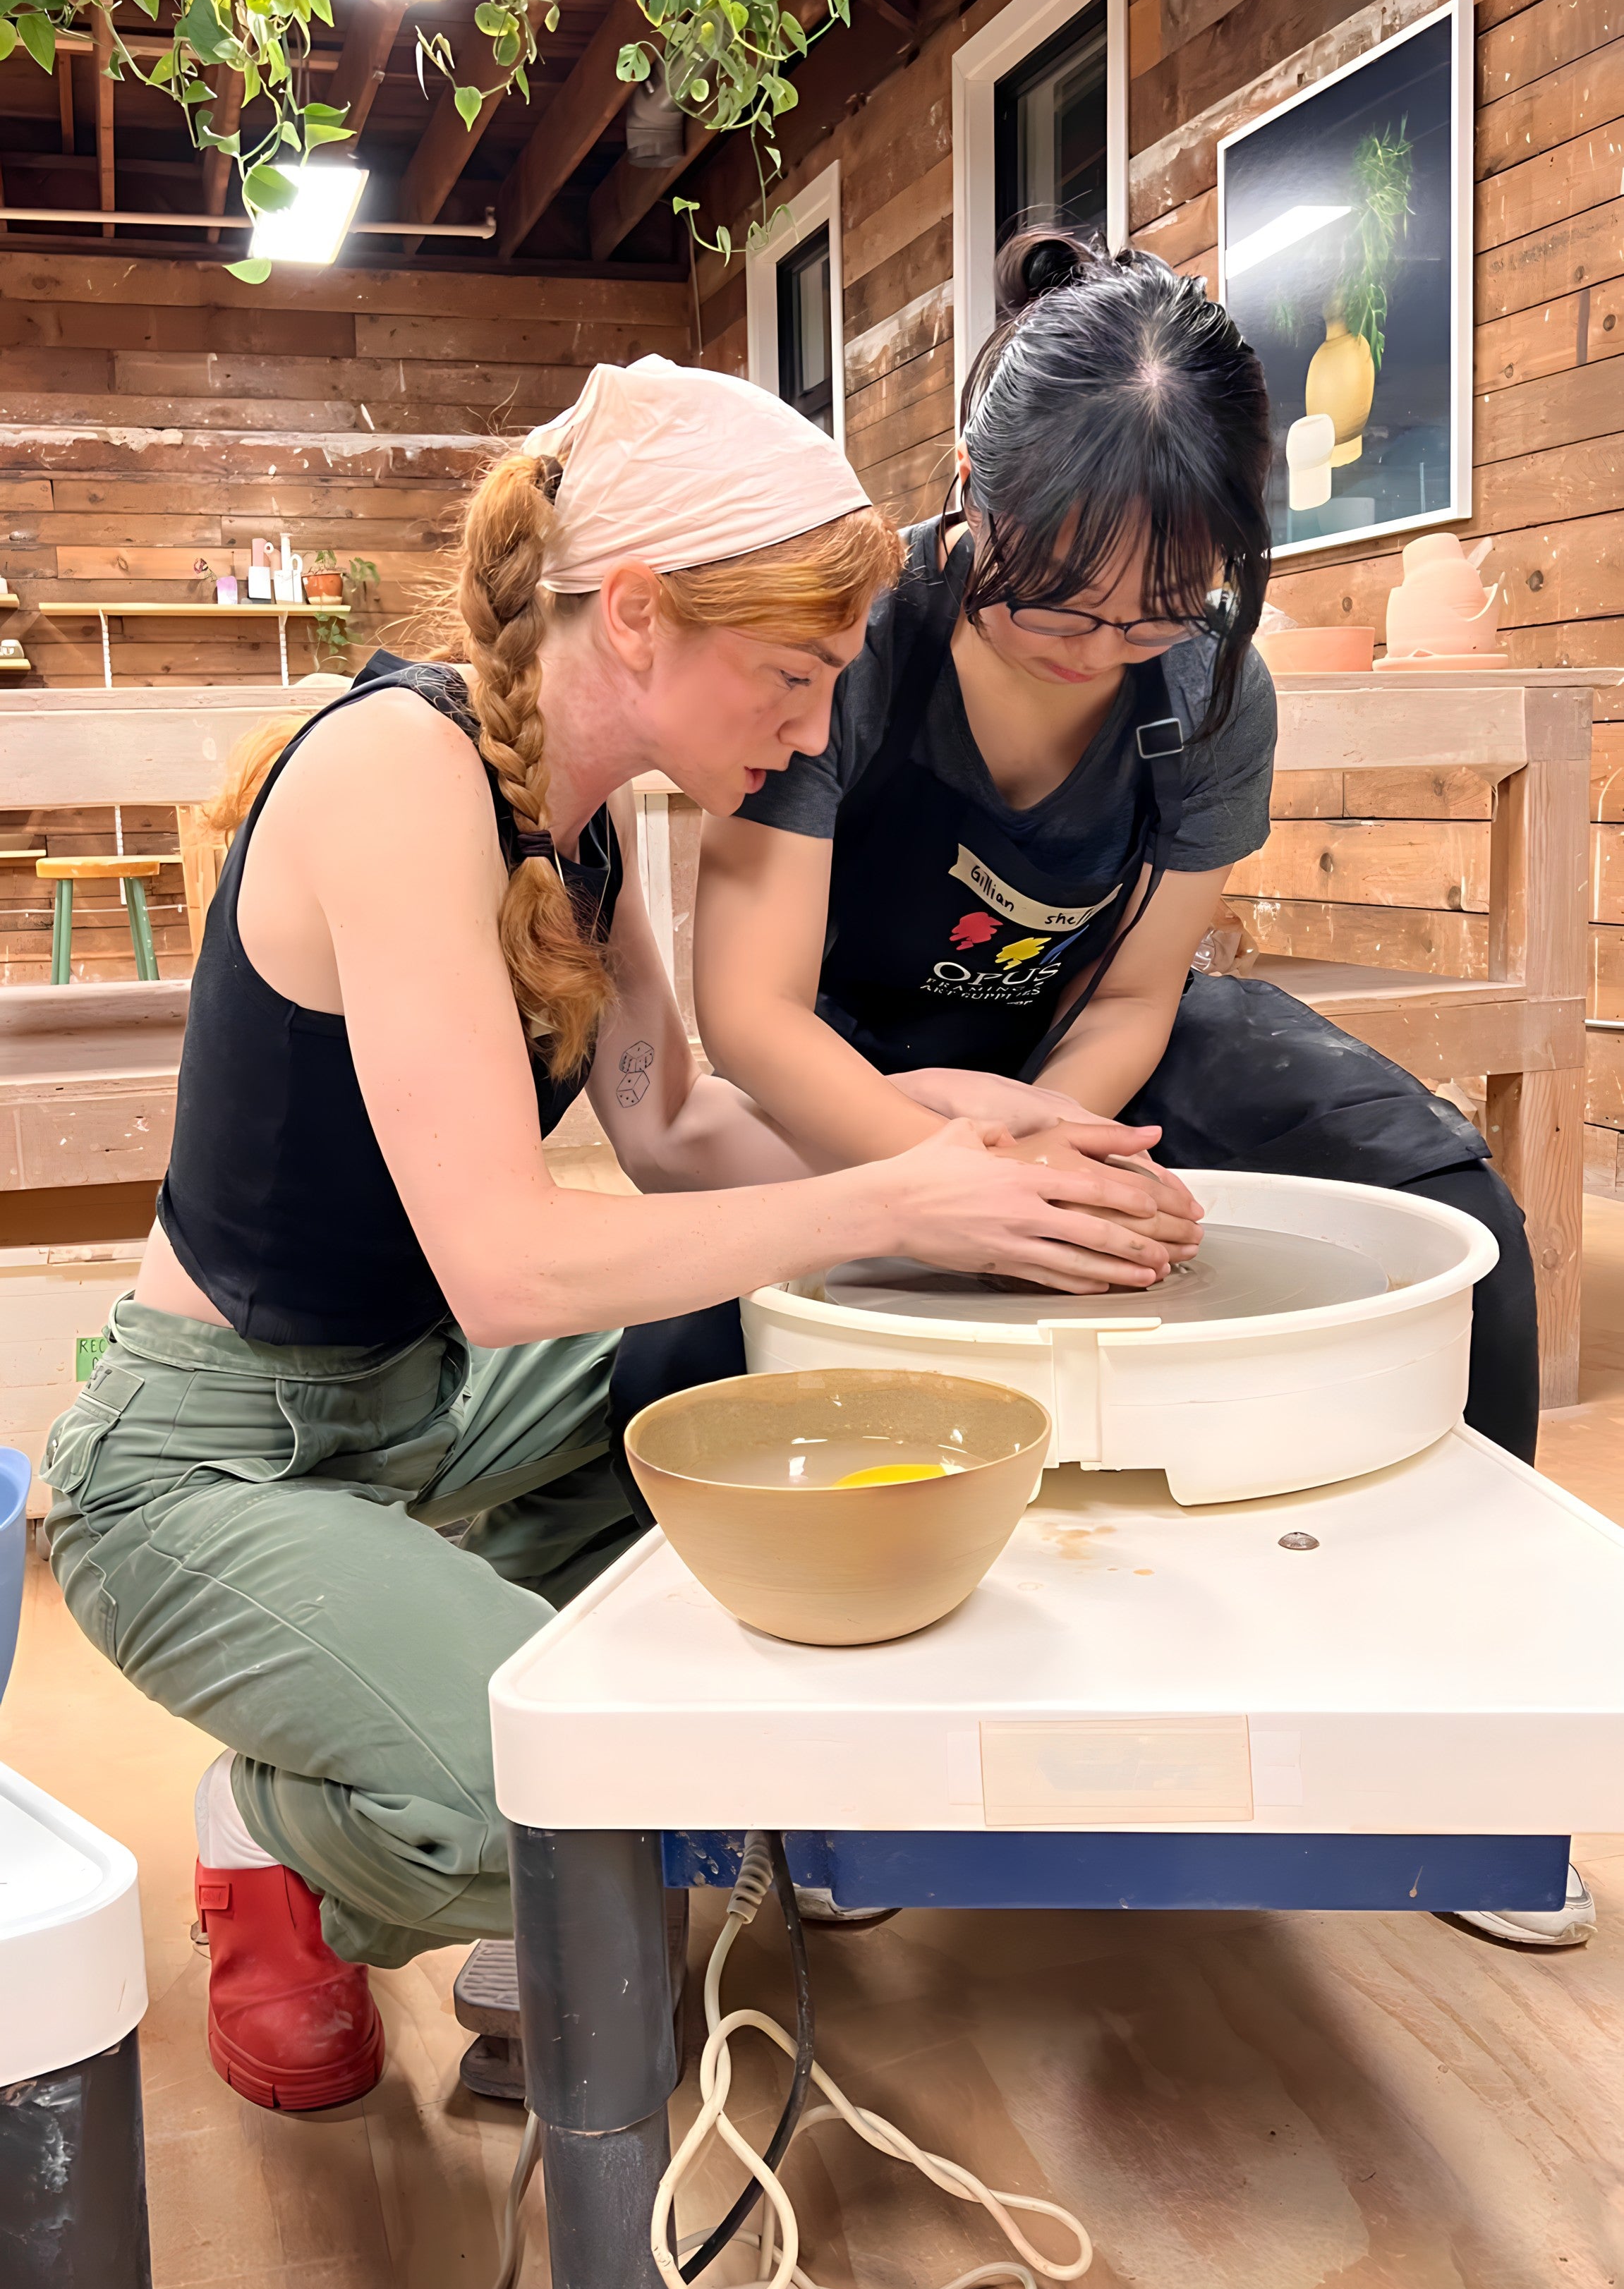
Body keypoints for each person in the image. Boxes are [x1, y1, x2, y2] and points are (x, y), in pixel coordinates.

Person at [43, 357, 1216, 2114]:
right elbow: (508, 1267)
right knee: (565, 1802)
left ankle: (411, 1670)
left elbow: (672, 1131)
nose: (819, 732)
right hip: (206, 1458)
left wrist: (956, 1122)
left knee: (725, 1367)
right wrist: (894, 1194)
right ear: (645, 615)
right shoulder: (392, 769)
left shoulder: (581, 833)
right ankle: (274, 1824)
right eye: (798, 675)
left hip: (417, 1399)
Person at [691, 231, 1590, 1955]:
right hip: (845, 1044)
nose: (1105, 645)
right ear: (968, 494)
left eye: (1159, 606)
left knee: (1453, 1207)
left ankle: (1462, 1767)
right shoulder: (850, 649)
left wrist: (1058, 1137)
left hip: (1083, 1039)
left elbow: (1133, 984)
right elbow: (751, 1013)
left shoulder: (1208, 684)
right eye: (1056, 601)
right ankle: (834, 1782)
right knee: (714, 1330)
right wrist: (942, 1175)